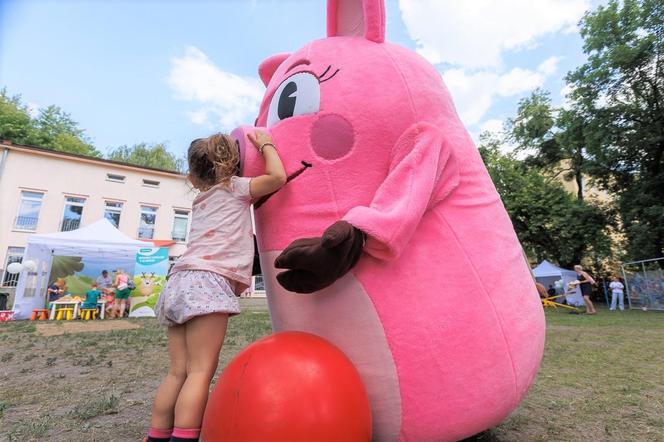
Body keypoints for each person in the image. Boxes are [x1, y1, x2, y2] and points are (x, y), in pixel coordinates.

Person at [146, 131, 286, 442]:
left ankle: (156, 436)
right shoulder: (235, 188)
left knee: (177, 371)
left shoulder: (201, 199)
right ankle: (184, 438)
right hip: (206, 282)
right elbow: (277, 177)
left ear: (193, 177)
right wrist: (265, 144)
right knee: (200, 372)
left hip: (178, 280)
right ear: (228, 166)